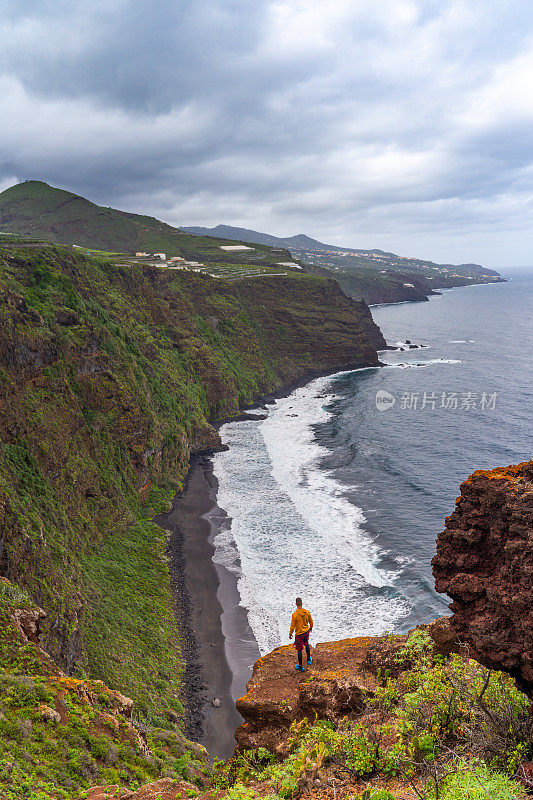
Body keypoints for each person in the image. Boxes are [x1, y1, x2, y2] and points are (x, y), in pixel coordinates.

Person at [289, 597, 313, 672]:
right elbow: (311, 622)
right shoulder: (307, 612)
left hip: (299, 634)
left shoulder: (294, 615)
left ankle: (300, 666)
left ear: (296, 604)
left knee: (299, 650)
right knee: (307, 644)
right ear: (302, 603)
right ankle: (309, 659)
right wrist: (310, 628)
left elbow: (292, 626)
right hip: (306, 632)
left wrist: (290, 634)